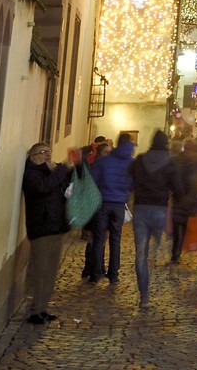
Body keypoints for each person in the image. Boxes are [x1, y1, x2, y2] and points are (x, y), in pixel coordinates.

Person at [21, 143, 76, 324]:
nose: (47, 155)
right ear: (33, 155)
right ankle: (34, 311)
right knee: (40, 272)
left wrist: (65, 171)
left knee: (51, 272)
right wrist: (59, 172)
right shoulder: (31, 174)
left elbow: (65, 187)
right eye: (43, 152)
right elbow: (43, 188)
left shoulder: (50, 171)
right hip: (41, 229)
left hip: (56, 227)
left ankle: (43, 308)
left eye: (49, 151)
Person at [128, 130, 180, 308]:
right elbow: (178, 189)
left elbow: (129, 178)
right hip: (160, 210)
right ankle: (158, 281)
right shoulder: (170, 163)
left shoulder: (140, 160)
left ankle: (144, 296)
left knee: (141, 254)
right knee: (157, 251)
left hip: (141, 209)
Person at [89, 132, 136, 285]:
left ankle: (95, 273)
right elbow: (133, 185)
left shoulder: (104, 161)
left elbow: (93, 180)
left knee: (99, 239)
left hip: (103, 203)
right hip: (119, 205)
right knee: (115, 240)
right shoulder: (131, 163)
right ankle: (113, 274)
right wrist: (125, 192)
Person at [79, 135, 110, 281]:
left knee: (99, 238)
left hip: (98, 205)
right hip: (95, 205)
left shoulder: (92, 164)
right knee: (95, 238)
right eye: (106, 153)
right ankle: (91, 267)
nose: (108, 156)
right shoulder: (94, 166)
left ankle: (95, 267)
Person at [170, 140, 197, 264]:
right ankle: (177, 250)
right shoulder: (183, 161)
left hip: (186, 200)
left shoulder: (183, 162)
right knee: (178, 228)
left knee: (182, 228)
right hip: (182, 200)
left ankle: (177, 250)